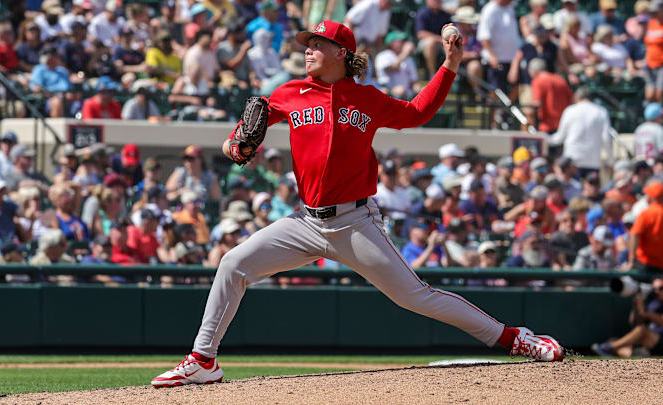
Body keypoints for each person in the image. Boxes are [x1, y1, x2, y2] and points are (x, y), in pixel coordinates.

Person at [151, 20, 563, 388]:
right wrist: (234, 144)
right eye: (307, 43)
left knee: (414, 296)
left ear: (342, 53)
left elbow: (418, 112)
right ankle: (203, 360)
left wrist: (449, 66)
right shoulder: (290, 93)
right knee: (232, 264)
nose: (308, 49)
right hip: (303, 222)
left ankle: (514, 338)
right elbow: (242, 135)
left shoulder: (366, 98)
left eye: (318, 43)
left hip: (355, 222)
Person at [591, 277, 663, 357]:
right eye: (654, 289)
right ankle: (636, 354)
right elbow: (633, 322)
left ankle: (608, 348)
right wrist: (637, 306)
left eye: (661, 288)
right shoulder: (652, 302)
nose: (657, 291)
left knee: (641, 329)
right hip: (648, 342)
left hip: (659, 340)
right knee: (614, 341)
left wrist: (646, 312)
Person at [550, 87, 611, 177]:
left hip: (572, 161)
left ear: (576, 98)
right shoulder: (601, 112)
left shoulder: (569, 111)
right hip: (592, 161)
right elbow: (606, 138)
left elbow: (559, 138)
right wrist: (610, 161)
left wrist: (544, 138)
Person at [528, 58, 573, 134]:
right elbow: (571, 99)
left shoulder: (537, 81)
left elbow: (536, 103)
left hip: (547, 126)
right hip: (563, 124)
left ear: (534, 71)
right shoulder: (560, 79)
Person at [626, 181, 663, 272]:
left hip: (644, 263)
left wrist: (632, 260)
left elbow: (634, 234)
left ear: (651, 197)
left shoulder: (646, 213)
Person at [414, 0, 451, 79]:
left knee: (452, 45)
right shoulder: (422, 13)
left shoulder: (445, 14)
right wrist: (440, 39)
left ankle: (451, 75)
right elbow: (420, 34)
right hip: (425, 43)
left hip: (442, 43)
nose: (436, 1)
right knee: (431, 43)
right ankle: (433, 75)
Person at [645, 0, 663, 103]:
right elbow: (648, 44)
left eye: (656, 11)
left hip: (662, 65)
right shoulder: (651, 23)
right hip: (650, 64)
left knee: (658, 95)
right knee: (649, 95)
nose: (653, 14)